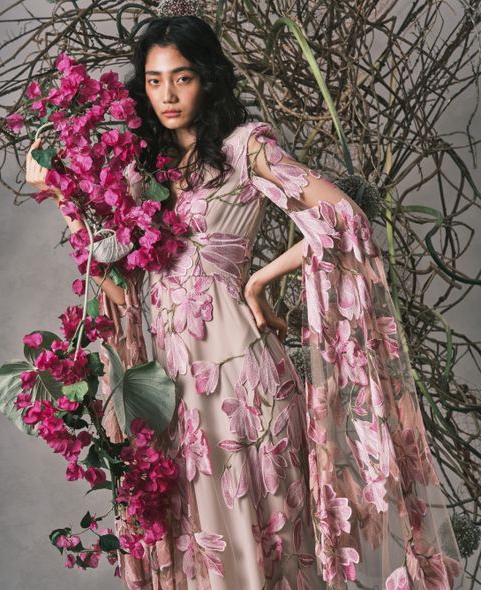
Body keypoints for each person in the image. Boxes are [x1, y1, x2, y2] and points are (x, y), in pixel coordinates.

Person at [26, 14, 466, 590]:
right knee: (202, 555)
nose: (168, 95)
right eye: (155, 81)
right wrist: (62, 196)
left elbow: (342, 218)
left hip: (242, 385)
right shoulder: (142, 170)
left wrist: (258, 281)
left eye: (181, 78)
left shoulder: (244, 148)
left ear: (206, 78)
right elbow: (118, 291)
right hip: (170, 395)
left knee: (263, 555)